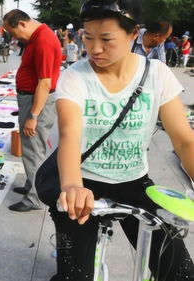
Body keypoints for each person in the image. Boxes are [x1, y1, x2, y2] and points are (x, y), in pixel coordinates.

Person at [51, 0, 194, 280]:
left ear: (132, 35)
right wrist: (71, 186)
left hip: (134, 183)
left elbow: (184, 140)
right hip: (84, 184)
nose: (95, 49)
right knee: (74, 275)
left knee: (179, 270)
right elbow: (69, 133)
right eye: (88, 37)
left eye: (106, 39)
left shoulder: (157, 74)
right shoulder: (74, 77)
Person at [3, 9, 62, 212]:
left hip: (37, 102)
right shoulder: (37, 37)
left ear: (21, 24)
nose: (14, 37)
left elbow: (44, 83)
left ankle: (34, 198)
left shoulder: (44, 39)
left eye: (12, 32)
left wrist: (33, 116)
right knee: (33, 148)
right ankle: (31, 185)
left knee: (33, 150)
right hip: (31, 99)